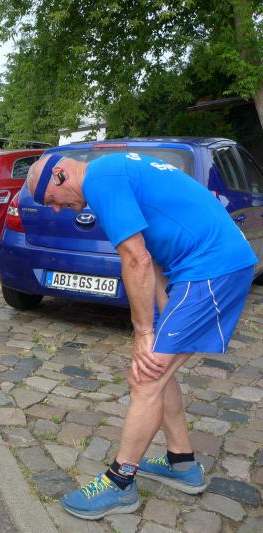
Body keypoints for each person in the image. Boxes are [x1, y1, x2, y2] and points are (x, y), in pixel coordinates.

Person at [24, 153, 258, 520]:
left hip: (212, 269)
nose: (55, 209)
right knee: (155, 370)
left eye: (50, 199)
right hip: (199, 268)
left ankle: (120, 483)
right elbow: (154, 252)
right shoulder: (112, 172)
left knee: (146, 377)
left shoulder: (101, 180)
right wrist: (162, 317)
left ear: (60, 174)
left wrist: (144, 332)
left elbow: (136, 260)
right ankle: (182, 462)